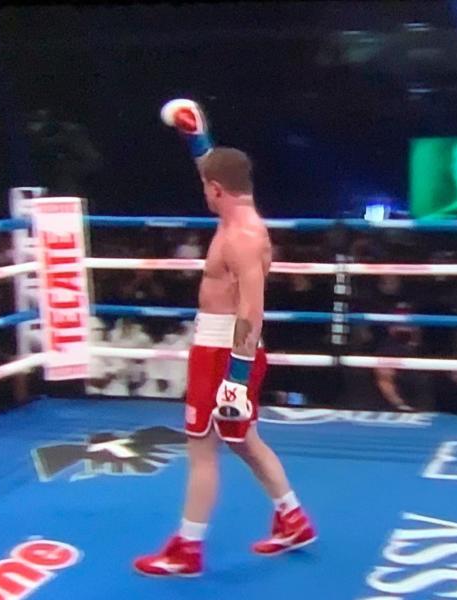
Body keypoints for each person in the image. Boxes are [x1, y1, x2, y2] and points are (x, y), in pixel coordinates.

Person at [134, 100, 316, 577]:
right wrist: (196, 135)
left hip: (225, 352)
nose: (203, 191)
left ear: (217, 190)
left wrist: (235, 378)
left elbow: (251, 310)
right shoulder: (235, 218)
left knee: (202, 449)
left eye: (206, 187)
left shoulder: (242, 238)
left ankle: (187, 549)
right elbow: (211, 169)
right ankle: (293, 518)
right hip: (222, 350)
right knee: (242, 438)